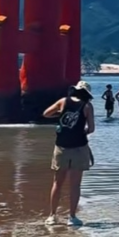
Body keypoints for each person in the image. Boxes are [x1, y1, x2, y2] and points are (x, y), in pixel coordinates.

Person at [43, 80, 95, 226]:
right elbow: (91, 128)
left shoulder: (62, 101)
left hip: (61, 147)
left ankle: (52, 216)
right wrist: (81, 130)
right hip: (79, 147)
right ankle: (72, 217)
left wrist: (60, 115)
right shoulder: (87, 106)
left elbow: (46, 113)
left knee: (57, 183)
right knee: (75, 184)